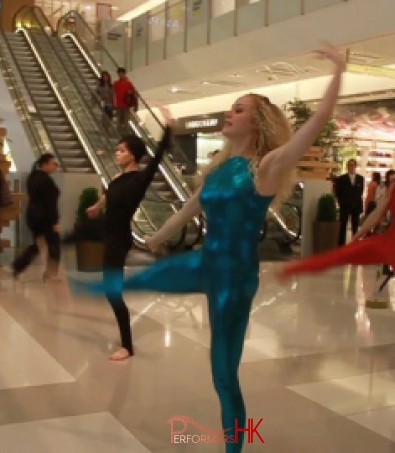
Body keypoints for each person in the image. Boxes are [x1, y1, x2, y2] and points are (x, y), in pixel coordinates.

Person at [76, 46, 345, 452]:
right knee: (138, 280)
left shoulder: (265, 166)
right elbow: (189, 209)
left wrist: (338, 71)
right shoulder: (219, 169)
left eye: (238, 109)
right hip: (206, 261)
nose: (229, 113)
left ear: (256, 122)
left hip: (234, 278)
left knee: (223, 375)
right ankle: (96, 292)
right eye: (231, 108)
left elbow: (318, 121)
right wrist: (155, 238)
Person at [278, 142, 395, 391]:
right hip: (389, 242)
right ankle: (291, 270)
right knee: (341, 254)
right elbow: (378, 213)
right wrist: (358, 234)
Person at [84, 108, 173, 362]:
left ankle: (128, 346)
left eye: (122, 150)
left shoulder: (139, 178)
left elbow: (158, 156)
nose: (117, 152)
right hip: (109, 236)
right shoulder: (118, 178)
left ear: (133, 155)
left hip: (119, 238)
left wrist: (168, 127)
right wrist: (96, 207)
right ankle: (126, 341)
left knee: (113, 292)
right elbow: (108, 196)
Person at [13, 153, 60, 280]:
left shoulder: (33, 177)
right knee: (53, 243)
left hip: (34, 216)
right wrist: (55, 221)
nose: (56, 166)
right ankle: (51, 273)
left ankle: (18, 266)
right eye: (54, 164)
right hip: (44, 218)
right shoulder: (45, 181)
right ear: (44, 165)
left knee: (39, 244)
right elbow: (50, 203)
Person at [334, 158, 364, 245]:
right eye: (349, 165)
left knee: (355, 226)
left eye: (353, 165)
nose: (351, 167)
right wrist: (342, 202)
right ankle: (341, 245)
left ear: (355, 166)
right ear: (347, 167)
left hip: (356, 205)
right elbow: (338, 193)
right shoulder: (341, 179)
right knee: (343, 226)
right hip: (345, 205)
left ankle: (354, 244)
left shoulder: (360, 178)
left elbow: (360, 192)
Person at [113, 67, 137, 136]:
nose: (120, 75)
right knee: (119, 121)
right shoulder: (116, 83)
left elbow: (134, 92)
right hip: (118, 105)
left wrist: (130, 92)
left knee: (126, 121)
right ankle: (118, 134)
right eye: (119, 73)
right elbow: (113, 94)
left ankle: (126, 135)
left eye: (122, 73)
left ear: (124, 74)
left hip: (126, 105)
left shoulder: (129, 83)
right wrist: (114, 104)